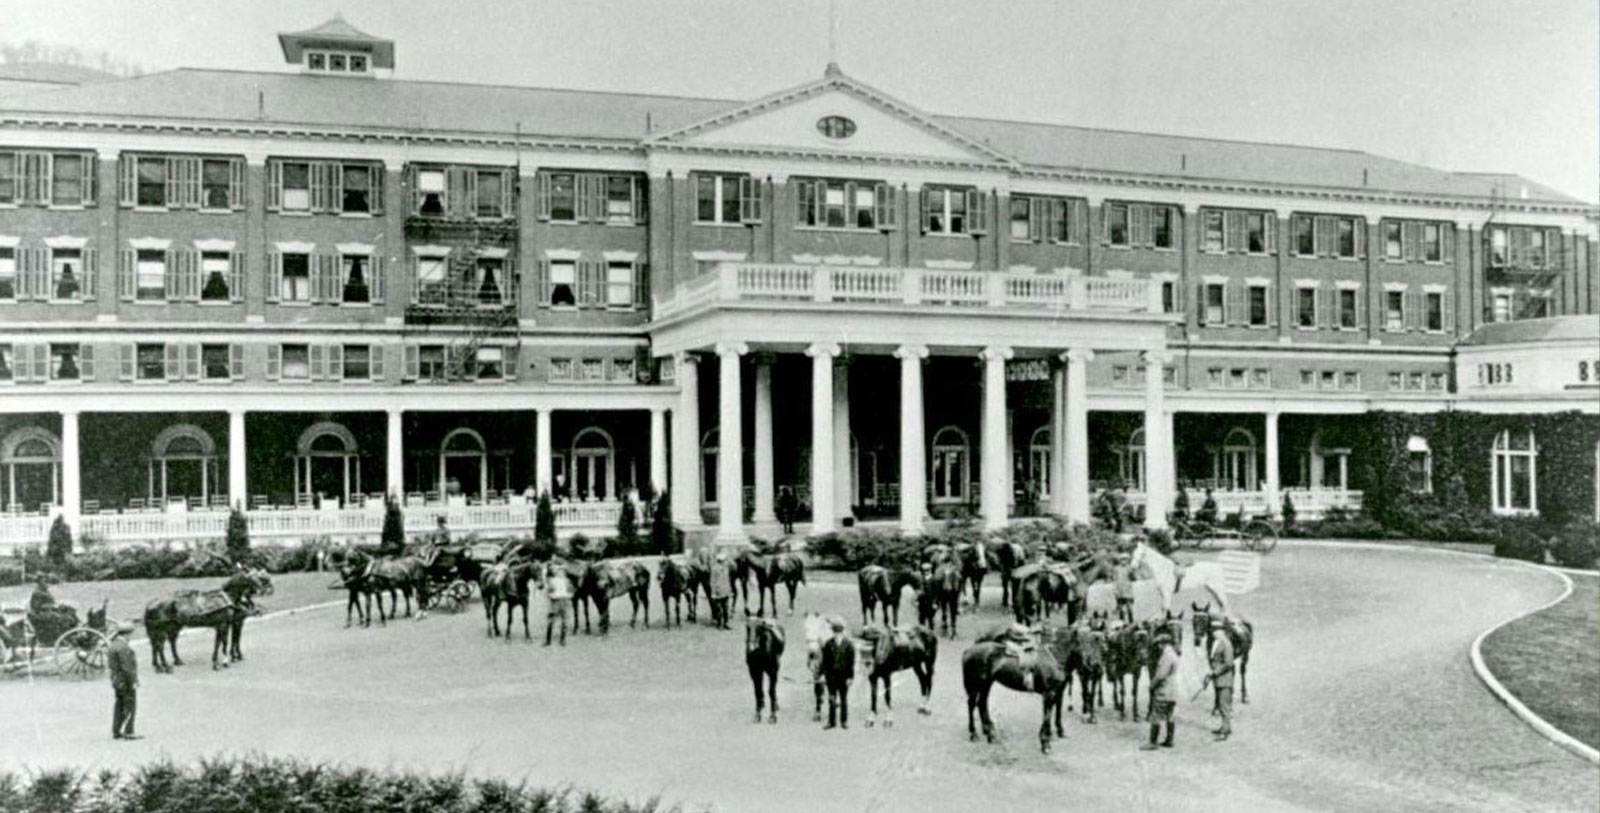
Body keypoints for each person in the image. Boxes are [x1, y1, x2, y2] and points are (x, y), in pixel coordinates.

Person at [1143, 630, 1179, 750]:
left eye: (1159, 644)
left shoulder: (1166, 656)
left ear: (1164, 643)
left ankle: (1152, 742)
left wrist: (1152, 685)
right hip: (1173, 690)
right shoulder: (1173, 654)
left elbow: (1160, 675)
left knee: (1156, 715)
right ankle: (1170, 740)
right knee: (1170, 715)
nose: (1158, 647)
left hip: (1164, 690)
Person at [820, 618, 856, 730]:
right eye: (835, 632)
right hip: (831, 677)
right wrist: (822, 675)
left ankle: (844, 721)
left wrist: (850, 677)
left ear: (842, 632)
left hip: (844, 677)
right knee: (832, 698)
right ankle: (831, 722)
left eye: (838, 632)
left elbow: (851, 663)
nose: (836, 634)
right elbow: (824, 662)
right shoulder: (828, 644)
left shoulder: (849, 645)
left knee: (843, 699)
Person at [108, 622, 140, 740]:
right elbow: (127, 668)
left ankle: (116, 730)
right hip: (125, 681)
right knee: (130, 705)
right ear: (127, 634)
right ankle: (128, 731)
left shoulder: (113, 645)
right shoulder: (123, 648)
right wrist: (133, 681)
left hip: (117, 680)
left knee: (119, 705)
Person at [1208, 616, 1236, 741]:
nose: (1213, 633)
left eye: (1216, 630)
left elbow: (1229, 663)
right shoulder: (1217, 642)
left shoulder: (1226, 643)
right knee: (1221, 704)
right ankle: (1225, 727)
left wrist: (1215, 672)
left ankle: (1225, 731)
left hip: (1224, 679)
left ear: (1221, 631)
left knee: (1224, 706)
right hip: (1219, 679)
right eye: (1213, 630)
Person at [543, 559, 573, 646]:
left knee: (564, 622)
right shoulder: (551, 581)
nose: (558, 572)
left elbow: (571, 590)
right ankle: (548, 640)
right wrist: (552, 596)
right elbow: (548, 592)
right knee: (551, 621)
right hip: (555, 602)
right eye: (555, 570)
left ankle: (562, 640)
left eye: (559, 570)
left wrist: (569, 595)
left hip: (564, 601)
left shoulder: (566, 581)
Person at [708, 550, 733, 629]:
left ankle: (726, 623)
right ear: (720, 561)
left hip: (725, 591)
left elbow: (727, 580)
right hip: (718, 591)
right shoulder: (714, 569)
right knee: (719, 609)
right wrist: (713, 592)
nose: (725, 561)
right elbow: (712, 581)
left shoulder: (726, 568)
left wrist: (729, 590)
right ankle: (720, 623)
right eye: (724, 560)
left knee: (726, 608)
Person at [1112, 553, 1135, 624]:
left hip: (1127, 589)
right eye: (1122, 559)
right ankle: (1121, 622)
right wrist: (1114, 589)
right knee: (1121, 608)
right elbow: (1115, 579)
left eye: (1125, 559)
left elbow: (1133, 578)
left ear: (1128, 560)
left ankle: (1131, 622)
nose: (1123, 561)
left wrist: (1132, 573)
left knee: (1129, 607)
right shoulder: (1116, 569)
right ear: (1120, 560)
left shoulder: (1129, 568)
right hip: (1119, 590)